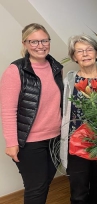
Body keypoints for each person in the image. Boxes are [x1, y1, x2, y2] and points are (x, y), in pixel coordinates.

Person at [0, 23, 63, 204]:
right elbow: (7, 109)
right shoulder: (16, 70)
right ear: (25, 43)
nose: (40, 45)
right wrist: (11, 143)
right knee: (36, 188)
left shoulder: (56, 68)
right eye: (33, 41)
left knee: (44, 184)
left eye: (44, 40)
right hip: (29, 141)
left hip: (55, 139)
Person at [60, 34, 97, 204]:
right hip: (76, 144)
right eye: (80, 51)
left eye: (89, 50)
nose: (85, 54)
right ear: (74, 56)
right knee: (78, 192)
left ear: (96, 53)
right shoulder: (70, 81)